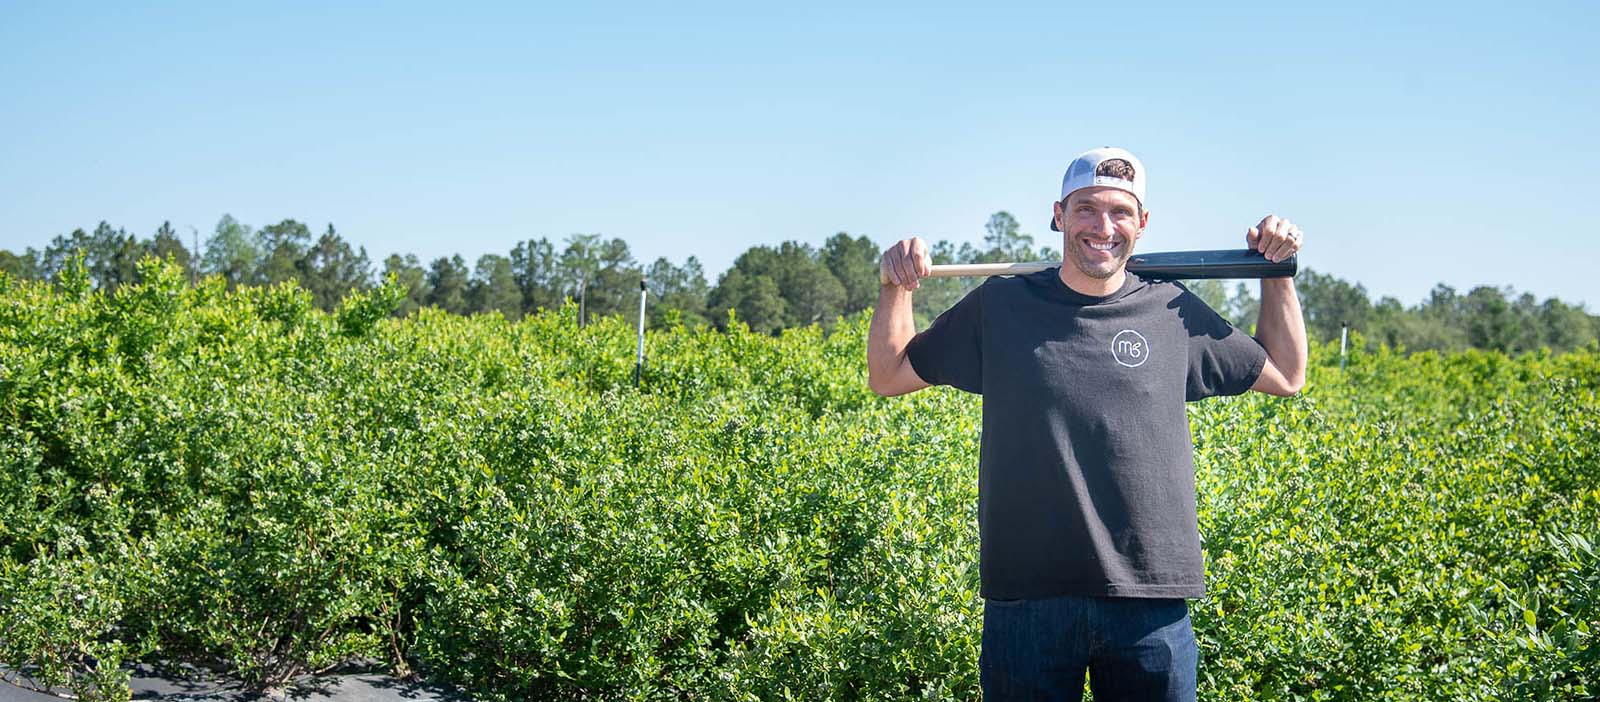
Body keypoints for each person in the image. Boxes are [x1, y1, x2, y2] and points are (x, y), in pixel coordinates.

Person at [866, 146, 1307, 701]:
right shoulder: (1001, 305)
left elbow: (1286, 373)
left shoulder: (1172, 310)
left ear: (1142, 223)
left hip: (1152, 603)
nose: (1103, 226)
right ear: (1059, 215)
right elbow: (889, 374)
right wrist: (896, 286)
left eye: (1120, 212)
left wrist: (1276, 273)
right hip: (1028, 600)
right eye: (1086, 209)